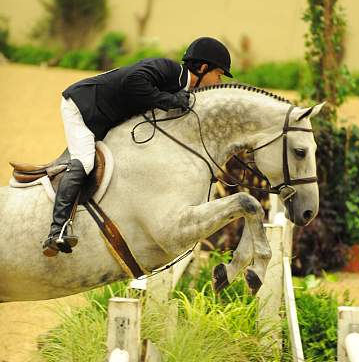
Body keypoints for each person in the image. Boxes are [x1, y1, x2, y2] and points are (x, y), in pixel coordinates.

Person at [42, 36, 233, 257]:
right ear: (202, 67)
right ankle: (57, 229)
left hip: (106, 117)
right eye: (218, 75)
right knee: (84, 161)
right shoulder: (168, 69)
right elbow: (133, 82)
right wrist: (169, 101)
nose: (218, 82)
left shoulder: (180, 87)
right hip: (82, 107)